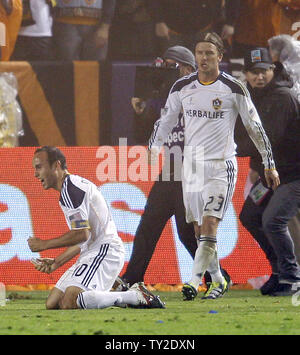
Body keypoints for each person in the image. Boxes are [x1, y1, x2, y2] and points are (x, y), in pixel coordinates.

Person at [148, 32, 280, 301]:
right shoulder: (182, 87)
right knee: (199, 230)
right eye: (199, 53)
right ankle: (218, 280)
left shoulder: (233, 88)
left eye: (209, 53)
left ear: (220, 56)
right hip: (192, 167)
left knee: (210, 224)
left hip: (222, 166)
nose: (204, 58)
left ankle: (194, 281)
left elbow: (255, 127)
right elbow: (165, 120)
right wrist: (154, 147)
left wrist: (269, 162)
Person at [28, 146, 165, 310]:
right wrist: (56, 262)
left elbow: (81, 234)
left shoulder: (71, 190)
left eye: (39, 167)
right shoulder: (70, 187)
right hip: (92, 251)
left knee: (71, 301)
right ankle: (117, 289)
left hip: (106, 250)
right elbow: (85, 237)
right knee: (52, 303)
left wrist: (44, 245)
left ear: (56, 165)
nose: (36, 174)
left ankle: (134, 296)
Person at [237, 47, 300, 296]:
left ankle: (292, 277)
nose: (259, 77)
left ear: (272, 70)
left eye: (263, 71)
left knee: (272, 221)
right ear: (246, 74)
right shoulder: (251, 97)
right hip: (270, 177)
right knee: (250, 217)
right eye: (254, 72)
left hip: (293, 175)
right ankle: (278, 271)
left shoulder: (283, 97)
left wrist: (231, 147)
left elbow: (268, 138)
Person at [145, 0, 240, 59]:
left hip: (205, 27)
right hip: (172, 29)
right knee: (172, 69)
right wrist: (159, 20)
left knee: (205, 68)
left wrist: (230, 23)